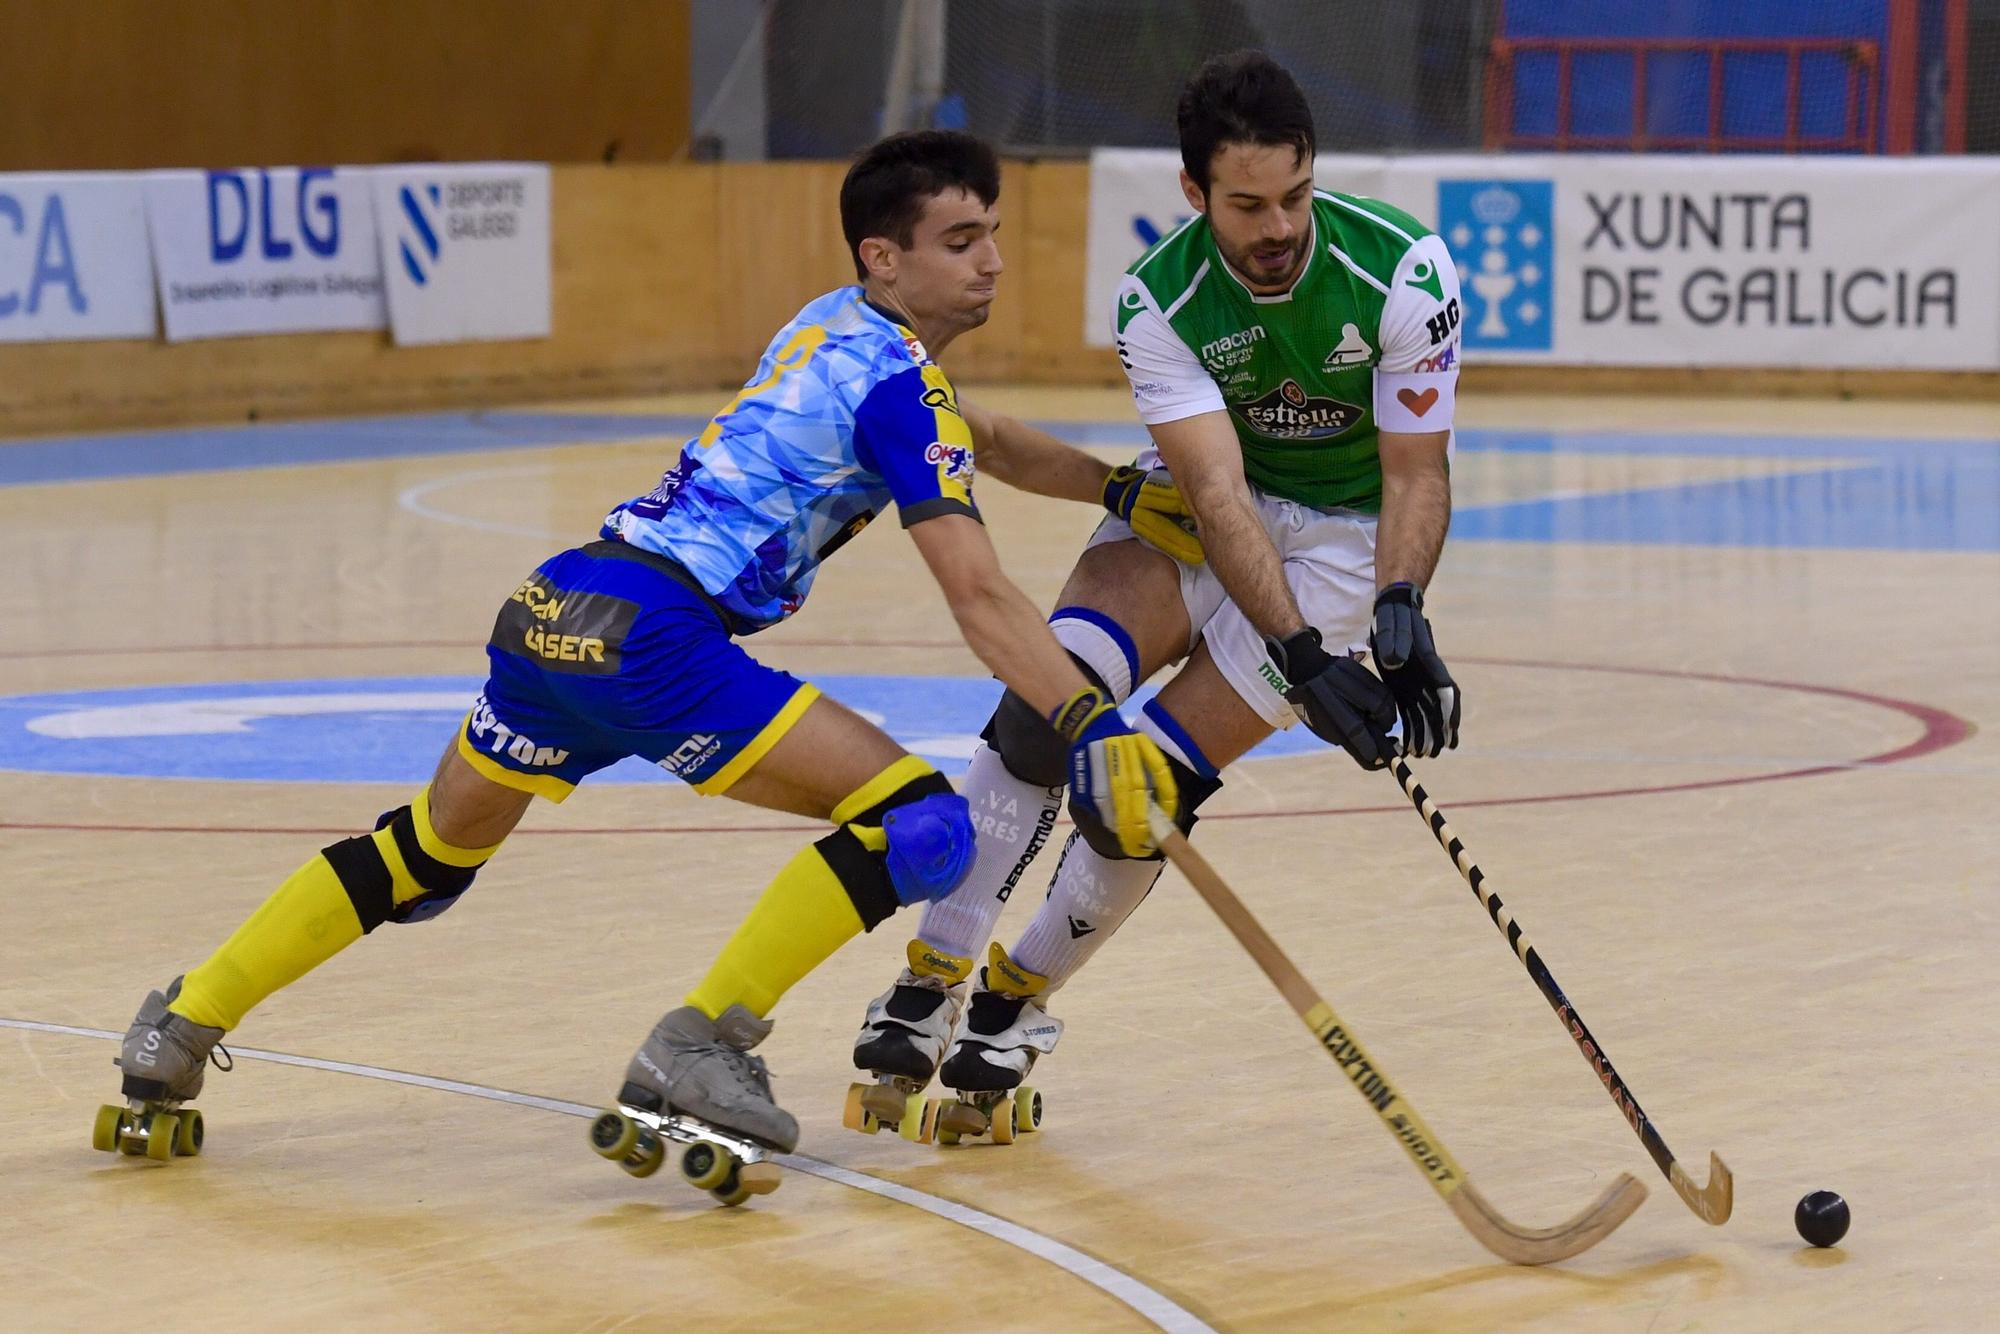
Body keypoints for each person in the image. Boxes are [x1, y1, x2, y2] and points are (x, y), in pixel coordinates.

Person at [94, 130, 1192, 1200]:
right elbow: (979, 593)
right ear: (883, 257)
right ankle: (702, 1040)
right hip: (656, 638)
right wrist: (1089, 720)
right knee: (922, 825)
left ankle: (179, 1020)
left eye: (993, 233)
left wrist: (1109, 487)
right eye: (959, 239)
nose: (991, 259)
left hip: (555, 606)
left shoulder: (831, 328)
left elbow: (986, 437)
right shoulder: (897, 387)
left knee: (425, 853)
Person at [849, 52, 1465, 1144]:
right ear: (1194, 195)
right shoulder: (1161, 298)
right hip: (1198, 506)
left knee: (1144, 793)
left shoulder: (1403, 272)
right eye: (1245, 205)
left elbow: (1415, 472)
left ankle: (1013, 997)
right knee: (1053, 707)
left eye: (1292, 194)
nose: (1276, 226)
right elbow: (1218, 492)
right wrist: (1302, 659)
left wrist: (1397, 606)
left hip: (1339, 543)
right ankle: (933, 965)